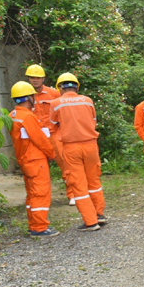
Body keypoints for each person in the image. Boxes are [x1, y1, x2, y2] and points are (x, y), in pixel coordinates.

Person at [49, 73, 107, 232]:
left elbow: (52, 127)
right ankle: (99, 214)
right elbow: (93, 121)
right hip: (91, 146)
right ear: (76, 86)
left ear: (60, 87)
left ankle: (90, 221)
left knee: (79, 184)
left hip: (71, 147)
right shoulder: (87, 101)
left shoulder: (56, 103)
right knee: (94, 181)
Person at [9, 82, 59, 238]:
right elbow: (40, 139)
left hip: (25, 160)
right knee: (40, 193)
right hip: (36, 160)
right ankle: (39, 227)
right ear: (28, 98)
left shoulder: (12, 116)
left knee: (32, 194)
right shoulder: (28, 117)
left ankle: (34, 224)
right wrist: (51, 154)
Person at [25, 64, 70, 204]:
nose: (35, 80)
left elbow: (62, 113)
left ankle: (72, 194)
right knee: (36, 168)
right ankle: (38, 197)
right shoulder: (25, 94)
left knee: (65, 164)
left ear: (43, 78)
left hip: (53, 134)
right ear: (28, 79)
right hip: (35, 137)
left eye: (38, 77)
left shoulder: (53, 94)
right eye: (32, 78)